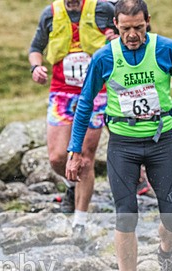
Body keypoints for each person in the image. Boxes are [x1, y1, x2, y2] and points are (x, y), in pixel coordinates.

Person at [66, 0, 172, 271]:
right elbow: (85, 104)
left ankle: (164, 252)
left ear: (148, 22)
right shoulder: (104, 57)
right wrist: (75, 152)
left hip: (161, 143)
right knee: (125, 214)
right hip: (122, 146)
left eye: (138, 28)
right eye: (126, 28)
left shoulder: (167, 50)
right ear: (116, 25)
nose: (132, 35)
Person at [29, 0, 117, 238]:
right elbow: (35, 48)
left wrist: (114, 38)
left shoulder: (103, 9)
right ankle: (71, 187)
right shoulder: (50, 13)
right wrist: (35, 67)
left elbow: (130, 33)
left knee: (85, 160)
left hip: (96, 91)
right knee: (57, 157)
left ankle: (79, 222)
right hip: (62, 93)